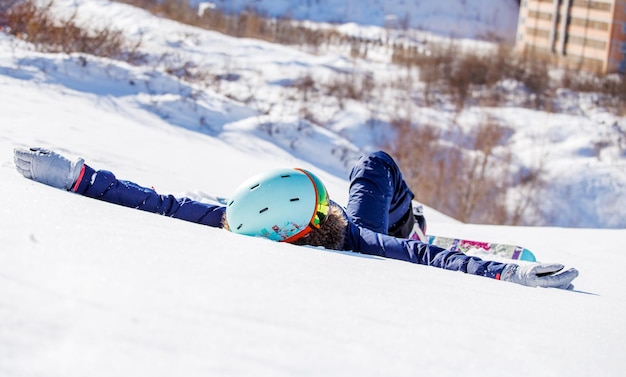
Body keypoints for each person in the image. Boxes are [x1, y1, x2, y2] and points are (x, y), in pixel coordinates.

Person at [13, 147, 579, 289]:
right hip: (390, 234)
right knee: (377, 165)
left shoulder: (227, 218)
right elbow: (430, 257)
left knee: (372, 164)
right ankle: (410, 218)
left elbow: (153, 200)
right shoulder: (356, 240)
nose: (332, 208)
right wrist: (508, 274)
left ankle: (410, 215)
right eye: (323, 209)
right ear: (301, 230)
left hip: (352, 227)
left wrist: (79, 176)